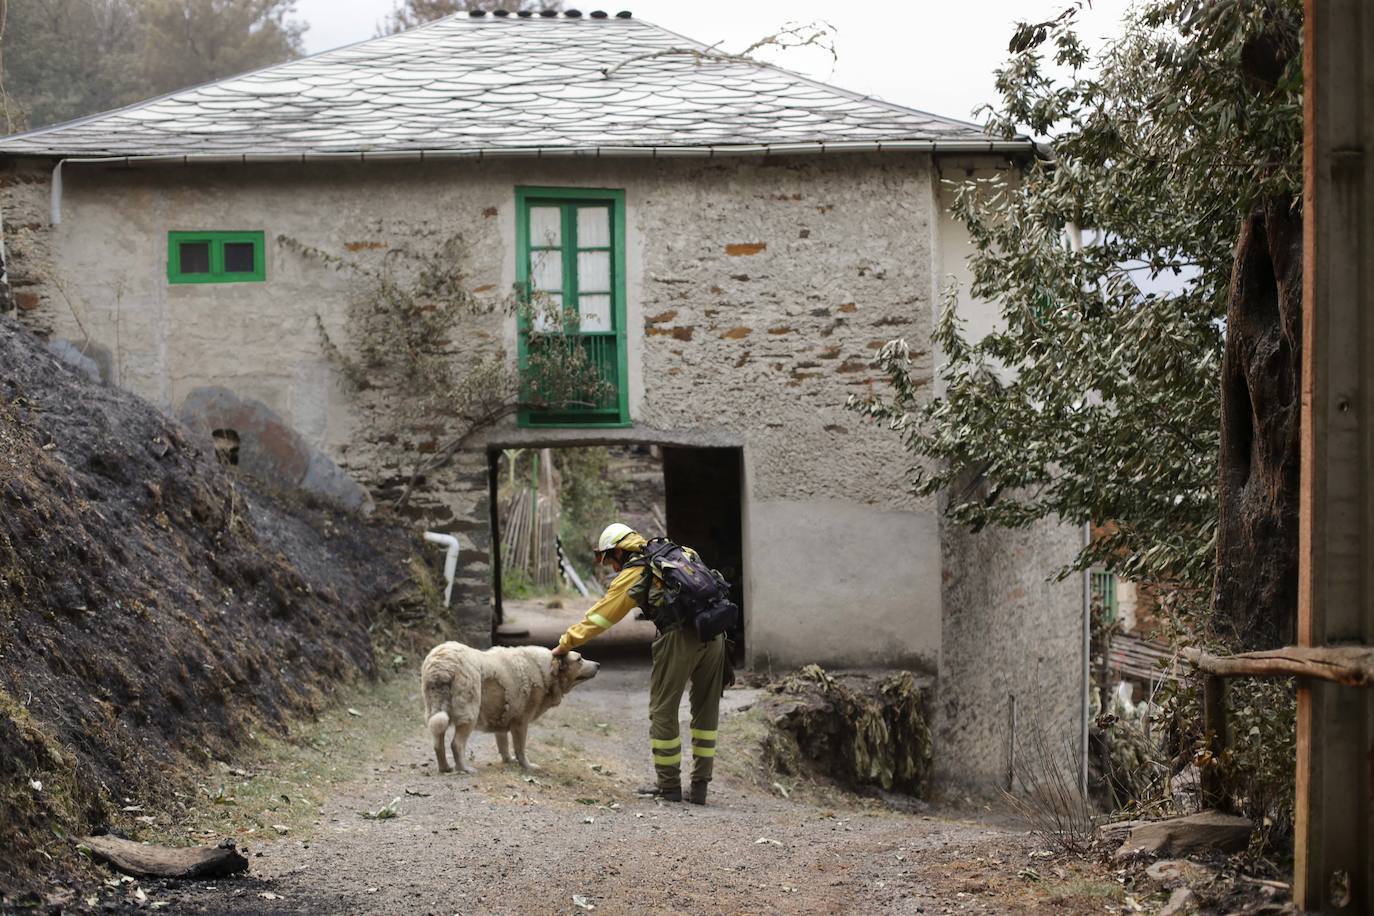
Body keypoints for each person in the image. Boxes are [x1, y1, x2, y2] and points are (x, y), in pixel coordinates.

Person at [551, 522, 726, 805]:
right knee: (706, 710)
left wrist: (566, 643)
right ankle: (700, 786)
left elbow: (601, 617)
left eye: (608, 559)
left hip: (679, 637)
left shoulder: (636, 572)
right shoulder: (682, 552)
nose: (610, 567)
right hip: (716, 633)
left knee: (663, 710)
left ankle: (669, 786)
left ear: (619, 551)